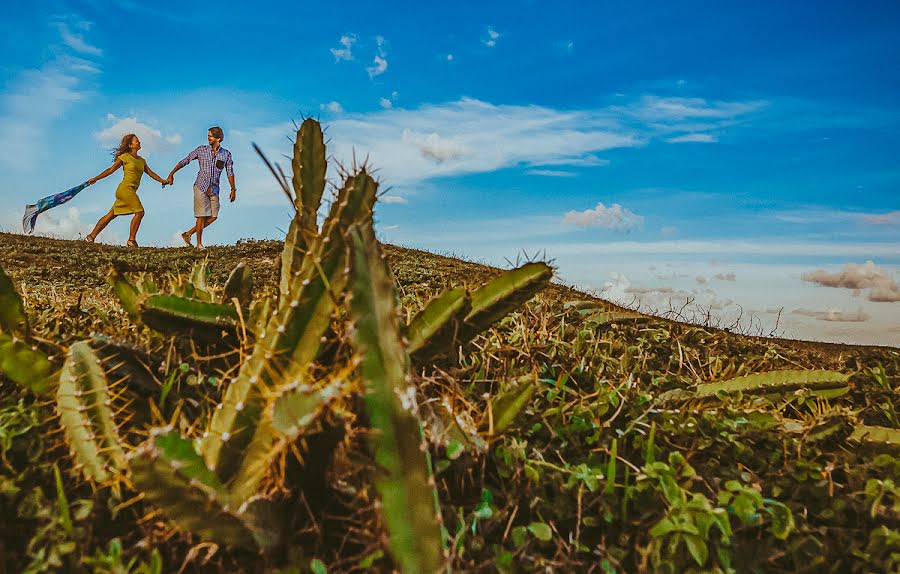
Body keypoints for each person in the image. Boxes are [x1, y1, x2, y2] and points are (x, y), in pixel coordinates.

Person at [85, 134, 168, 247]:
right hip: (125, 189)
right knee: (140, 212)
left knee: (111, 215)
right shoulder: (125, 157)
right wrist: (96, 178)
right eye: (136, 141)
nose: (139, 142)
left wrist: (162, 181)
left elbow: (151, 173)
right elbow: (111, 169)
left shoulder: (142, 161)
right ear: (130, 145)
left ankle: (91, 237)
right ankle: (131, 240)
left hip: (131, 190)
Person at [166, 126, 236, 249]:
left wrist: (233, 189)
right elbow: (185, 160)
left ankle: (188, 234)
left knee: (213, 216)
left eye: (211, 136)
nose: (208, 138)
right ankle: (199, 244)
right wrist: (171, 174)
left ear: (218, 138)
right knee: (201, 215)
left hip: (214, 189)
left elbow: (230, 172)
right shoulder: (201, 150)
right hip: (200, 186)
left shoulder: (226, 154)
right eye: (208, 135)